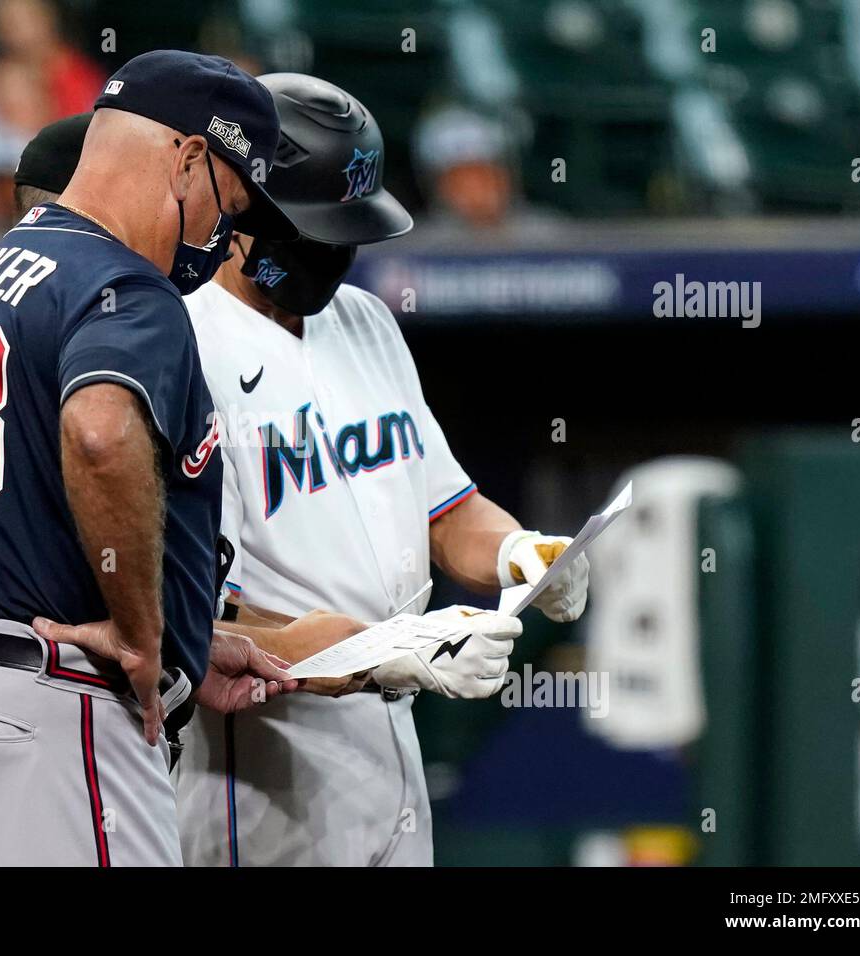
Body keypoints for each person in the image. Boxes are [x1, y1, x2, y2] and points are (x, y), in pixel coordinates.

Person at [0, 50, 312, 867]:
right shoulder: (122, 284)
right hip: (39, 714)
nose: (222, 237)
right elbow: (99, 435)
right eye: (231, 202)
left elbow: (12, 519)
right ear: (186, 159)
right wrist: (145, 636)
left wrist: (184, 634)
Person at [173, 74, 590, 866]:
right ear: (241, 209)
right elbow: (204, 623)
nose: (336, 254)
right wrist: (388, 648)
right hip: (262, 762)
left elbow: (447, 506)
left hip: (392, 735)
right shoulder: (184, 345)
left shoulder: (365, 321)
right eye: (316, 230)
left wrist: (516, 551)